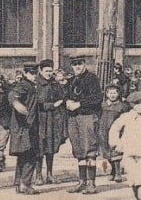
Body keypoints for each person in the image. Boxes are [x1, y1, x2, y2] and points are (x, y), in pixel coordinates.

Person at [108, 92, 141, 200]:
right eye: (137, 103)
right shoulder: (126, 117)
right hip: (128, 151)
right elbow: (114, 129)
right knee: (133, 179)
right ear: (132, 105)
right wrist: (116, 144)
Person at [65, 56, 103, 195]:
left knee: (89, 149)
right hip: (73, 118)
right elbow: (66, 95)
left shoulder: (91, 78)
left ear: (84, 64)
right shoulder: (71, 80)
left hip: (86, 116)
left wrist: (79, 104)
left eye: (79, 64)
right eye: (74, 64)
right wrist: (67, 102)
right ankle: (82, 181)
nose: (77, 67)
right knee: (78, 149)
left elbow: (97, 98)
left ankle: (91, 183)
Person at [34, 59, 67, 185]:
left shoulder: (55, 83)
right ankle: (38, 175)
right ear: (40, 71)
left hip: (53, 120)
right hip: (40, 120)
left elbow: (62, 97)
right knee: (39, 148)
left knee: (51, 147)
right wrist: (52, 105)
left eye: (50, 71)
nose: (49, 73)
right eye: (46, 71)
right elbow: (36, 103)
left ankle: (49, 174)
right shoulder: (36, 84)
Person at [9, 62, 41, 195]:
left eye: (35, 73)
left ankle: (19, 183)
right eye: (32, 73)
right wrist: (16, 104)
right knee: (30, 154)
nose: (34, 76)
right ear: (26, 73)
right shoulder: (24, 85)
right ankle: (25, 184)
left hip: (27, 125)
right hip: (26, 126)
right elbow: (12, 95)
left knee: (23, 155)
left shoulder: (31, 85)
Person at [98, 83, 130, 183]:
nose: (112, 95)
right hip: (103, 131)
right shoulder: (102, 105)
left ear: (118, 94)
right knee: (106, 151)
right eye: (110, 93)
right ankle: (113, 170)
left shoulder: (122, 106)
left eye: (114, 93)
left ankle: (118, 173)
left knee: (116, 151)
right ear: (106, 94)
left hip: (116, 131)